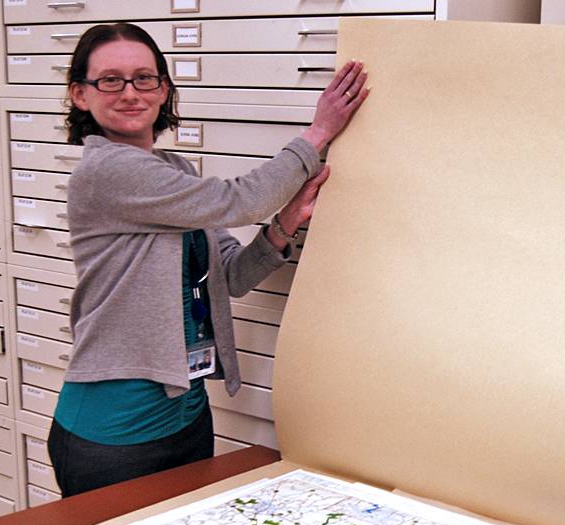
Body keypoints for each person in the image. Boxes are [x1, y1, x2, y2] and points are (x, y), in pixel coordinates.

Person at [47, 22, 368, 497]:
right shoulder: (105, 172)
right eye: (110, 80)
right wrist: (318, 132)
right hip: (114, 432)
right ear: (80, 95)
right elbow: (239, 202)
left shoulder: (173, 172)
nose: (130, 93)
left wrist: (285, 225)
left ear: (163, 89)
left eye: (145, 78)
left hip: (187, 415)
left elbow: (230, 277)